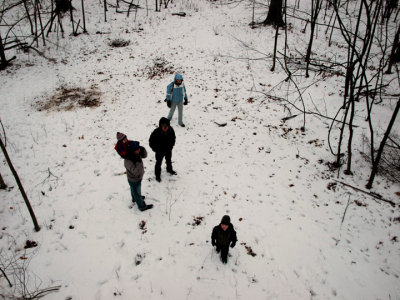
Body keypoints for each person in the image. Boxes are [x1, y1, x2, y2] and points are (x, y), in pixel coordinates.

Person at [116, 132, 153, 211]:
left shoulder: (135, 152)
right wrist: (138, 161)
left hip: (136, 177)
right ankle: (142, 206)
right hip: (134, 178)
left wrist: (142, 150)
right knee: (136, 191)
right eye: (137, 150)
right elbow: (136, 172)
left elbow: (145, 156)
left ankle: (134, 198)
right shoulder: (129, 160)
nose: (138, 151)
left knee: (133, 190)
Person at [149, 117, 177, 182]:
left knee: (169, 160)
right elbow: (151, 142)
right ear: (161, 126)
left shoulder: (171, 130)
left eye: (166, 126)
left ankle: (169, 169)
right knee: (158, 163)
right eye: (163, 126)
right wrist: (156, 149)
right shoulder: (156, 132)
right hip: (159, 151)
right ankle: (157, 175)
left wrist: (171, 146)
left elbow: (173, 138)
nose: (165, 128)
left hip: (168, 150)